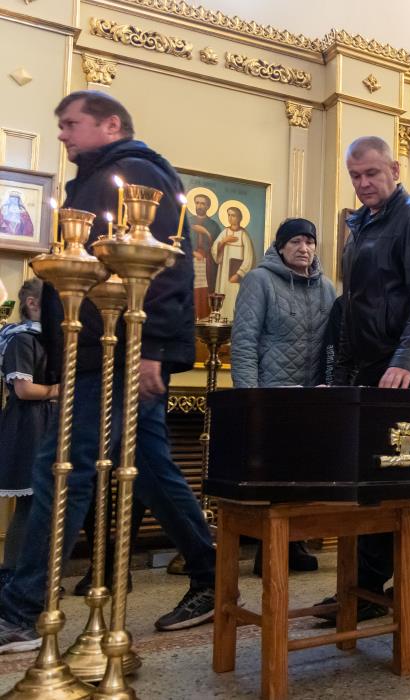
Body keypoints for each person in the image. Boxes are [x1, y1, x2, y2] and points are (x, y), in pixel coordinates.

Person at [0, 91, 216, 653]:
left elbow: (165, 268)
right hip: (97, 349)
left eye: (71, 124)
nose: (63, 134)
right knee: (150, 470)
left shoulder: (135, 176)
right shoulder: (99, 178)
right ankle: (211, 573)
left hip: (118, 350)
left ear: (110, 124)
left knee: (62, 469)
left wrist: (151, 349)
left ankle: (22, 612)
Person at [322, 135, 410, 621]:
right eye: (355, 175)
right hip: (375, 365)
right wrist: (343, 371)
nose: (363, 183)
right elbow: (352, 305)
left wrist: (406, 360)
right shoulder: (359, 224)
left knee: (386, 476)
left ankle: (364, 588)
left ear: (395, 170)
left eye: (371, 173)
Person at [231, 217, 336, 575]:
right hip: (271, 395)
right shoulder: (259, 280)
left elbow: (332, 345)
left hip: (311, 397)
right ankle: (269, 548)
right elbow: (244, 341)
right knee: (273, 475)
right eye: (295, 242)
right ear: (280, 247)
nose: (304, 248)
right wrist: (250, 398)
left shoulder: (326, 288)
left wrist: (330, 389)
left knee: (304, 472)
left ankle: (295, 544)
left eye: (309, 242)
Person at [0, 280, 58, 588]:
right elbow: (24, 390)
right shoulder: (21, 338)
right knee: (30, 502)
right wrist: (58, 390)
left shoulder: (46, 338)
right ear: (33, 304)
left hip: (46, 420)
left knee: (45, 502)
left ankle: (35, 573)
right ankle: (12, 573)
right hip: (28, 424)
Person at [211, 204, 254, 313]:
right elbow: (214, 250)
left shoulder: (244, 235)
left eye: (233, 215)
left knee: (234, 297)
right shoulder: (224, 233)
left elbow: (249, 257)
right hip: (223, 272)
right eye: (229, 215)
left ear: (239, 218)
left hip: (236, 274)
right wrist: (224, 241)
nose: (230, 218)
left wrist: (239, 274)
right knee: (223, 293)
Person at [187, 193, 220, 318]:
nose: (199, 206)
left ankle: (205, 317)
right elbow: (182, 242)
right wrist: (193, 252)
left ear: (208, 206)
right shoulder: (187, 221)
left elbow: (217, 245)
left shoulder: (213, 225)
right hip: (190, 261)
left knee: (206, 290)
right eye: (197, 203)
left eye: (203, 203)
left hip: (208, 262)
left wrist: (205, 232)